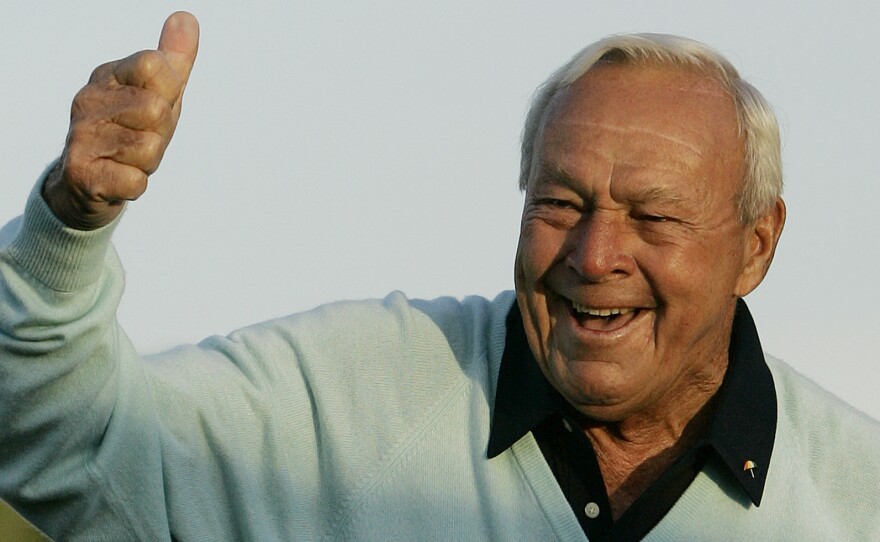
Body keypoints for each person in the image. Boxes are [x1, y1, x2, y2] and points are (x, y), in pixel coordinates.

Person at [1, 11, 878, 541]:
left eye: (653, 217)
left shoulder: (857, 496)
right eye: (561, 204)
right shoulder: (350, 401)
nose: (595, 255)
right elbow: (64, 441)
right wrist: (66, 229)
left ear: (757, 246)